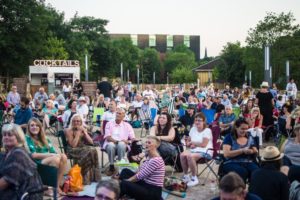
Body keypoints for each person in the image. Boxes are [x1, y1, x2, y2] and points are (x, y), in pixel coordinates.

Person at [0, 124, 43, 200]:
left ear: (18, 137)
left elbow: (5, 182)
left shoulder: (18, 154)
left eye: (10, 135)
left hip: (26, 195)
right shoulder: (5, 153)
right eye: (4, 135)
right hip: (13, 190)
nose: (6, 137)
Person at [26, 118, 68, 195]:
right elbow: (33, 155)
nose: (34, 127)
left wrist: (56, 155)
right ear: (28, 128)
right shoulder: (27, 138)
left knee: (63, 157)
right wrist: (51, 155)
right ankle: (47, 188)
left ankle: (56, 186)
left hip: (45, 160)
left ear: (40, 127)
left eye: (37, 125)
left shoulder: (45, 138)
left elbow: (53, 151)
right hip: (35, 163)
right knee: (55, 159)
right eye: (32, 125)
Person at [118, 136, 165, 200]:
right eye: (146, 142)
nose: (146, 144)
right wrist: (141, 158)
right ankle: (126, 192)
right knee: (125, 171)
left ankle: (116, 196)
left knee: (124, 184)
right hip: (146, 184)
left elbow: (139, 176)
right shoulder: (149, 156)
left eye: (149, 143)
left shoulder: (156, 160)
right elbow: (139, 171)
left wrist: (127, 181)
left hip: (153, 192)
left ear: (155, 146)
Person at [65, 114, 101, 184]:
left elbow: (91, 142)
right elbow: (73, 145)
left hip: (83, 148)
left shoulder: (83, 129)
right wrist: (78, 134)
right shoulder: (69, 130)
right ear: (71, 122)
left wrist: (85, 133)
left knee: (92, 150)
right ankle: (83, 176)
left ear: (81, 122)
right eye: (74, 121)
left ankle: (90, 177)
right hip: (72, 150)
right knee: (89, 150)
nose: (76, 123)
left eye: (78, 121)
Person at [180, 113, 213, 187]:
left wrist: (193, 143)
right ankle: (186, 176)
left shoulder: (207, 130)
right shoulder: (193, 129)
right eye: (196, 120)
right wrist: (189, 144)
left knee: (190, 156)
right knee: (182, 155)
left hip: (206, 151)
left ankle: (194, 178)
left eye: (200, 120)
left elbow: (204, 144)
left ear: (204, 121)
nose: (197, 122)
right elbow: (188, 140)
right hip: (194, 150)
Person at [222, 118, 259, 183]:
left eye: (246, 129)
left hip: (248, 161)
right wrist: (242, 151)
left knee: (257, 171)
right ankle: (239, 190)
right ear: (236, 127)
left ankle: (253, 190)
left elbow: (255, 150)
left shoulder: (249, 136)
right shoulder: (229, 137)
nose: (244, 131)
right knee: (242, 171)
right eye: (242, 129)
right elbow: (226, 154)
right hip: (231, 162)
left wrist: (251, 151)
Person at [104, 108, 135, 176]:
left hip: (122, 145)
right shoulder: (109, 124)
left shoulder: (127, 125)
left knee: (121, 144)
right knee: (111, 145)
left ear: (123, 116)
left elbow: (133, 138)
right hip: (110, 143)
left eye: (120, 114)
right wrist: (117, 142)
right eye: (117, 113)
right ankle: (112, 167)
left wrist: (128, 141)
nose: (118, 115)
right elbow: (108, 137)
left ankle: (121, 168)